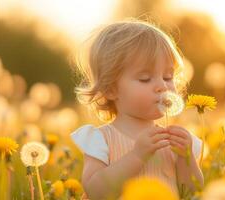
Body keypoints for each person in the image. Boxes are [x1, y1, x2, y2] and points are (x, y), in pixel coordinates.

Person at [70, 19, 204, 199]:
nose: (162, 86)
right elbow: (96, 191)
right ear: (110, 89)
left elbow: (192, 192)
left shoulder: (174, 142)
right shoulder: (101, 140)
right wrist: (137, 156)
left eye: (167, 77)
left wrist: (185, 158)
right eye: (145, 79)